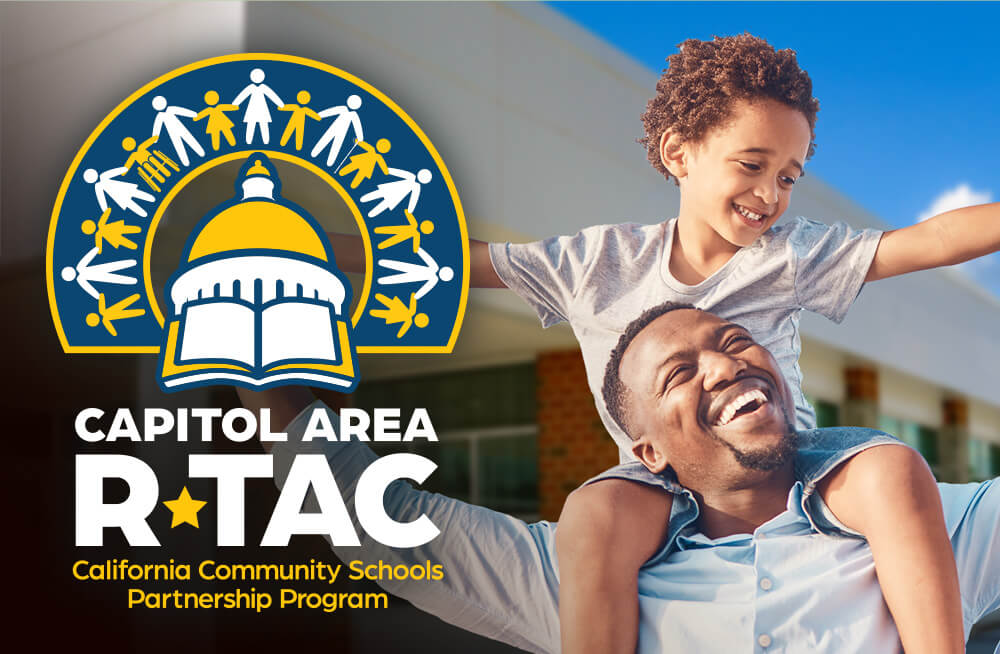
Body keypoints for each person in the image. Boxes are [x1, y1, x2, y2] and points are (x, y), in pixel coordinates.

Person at [327, 33, 1000, 653]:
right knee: (594, 511)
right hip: (660, 478)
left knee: (889, 470)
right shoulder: (597, 262)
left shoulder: (789, 255)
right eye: (752, 164)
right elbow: (456, 262)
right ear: (679, 154)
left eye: (789, 177)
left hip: (795, 465)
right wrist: (318, 250)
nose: (771, 194)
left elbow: (927, 241)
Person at [237, 305, 1000, 653]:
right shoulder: (591, 572)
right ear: (647, 453)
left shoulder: (919, 521)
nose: (728, 363)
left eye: (734, 342)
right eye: (680, 372)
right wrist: (256, 357)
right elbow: (381, 527)